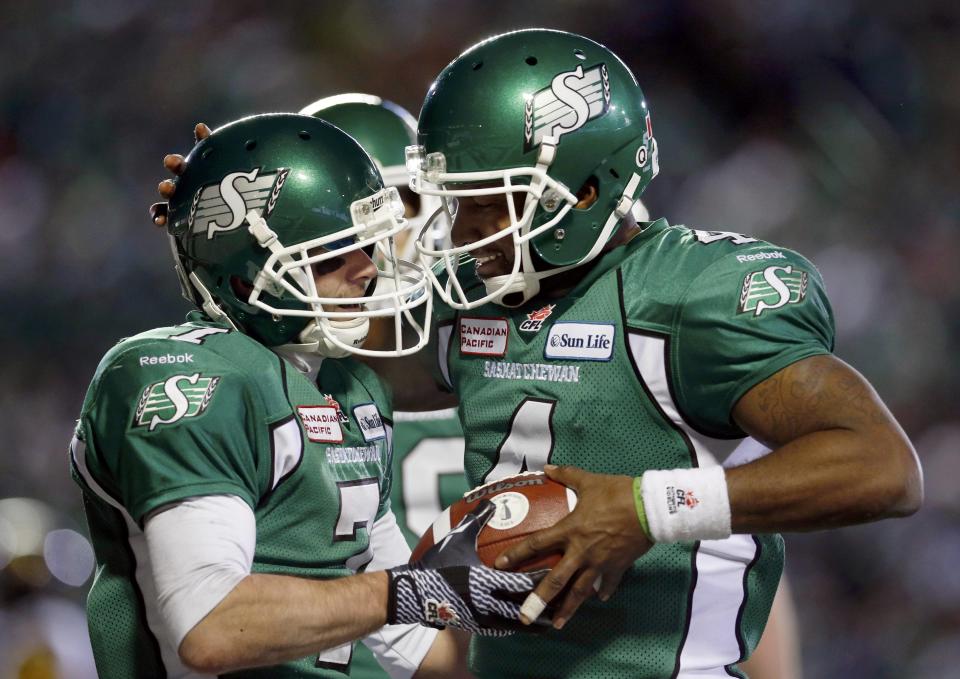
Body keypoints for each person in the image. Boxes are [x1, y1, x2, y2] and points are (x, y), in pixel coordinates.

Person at [400, 28, 922, 678]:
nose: (462, 231)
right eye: (456, 201)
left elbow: (882, 465)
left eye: (487, 204)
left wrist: (651, 507)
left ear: (584, 193)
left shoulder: (692, 294)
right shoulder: (470, 303)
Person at [72, 112, 541, 678]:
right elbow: (211, 626)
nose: (369, 269)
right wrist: (415, 590)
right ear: (247, 277)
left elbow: (423, 650)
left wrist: (541, 604)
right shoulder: (179, 375)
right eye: (334, 252)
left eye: (365, 244)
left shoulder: (353, 388)